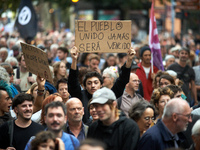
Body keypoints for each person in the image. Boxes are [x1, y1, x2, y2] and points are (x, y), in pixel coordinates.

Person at [68, 46, 136, 123]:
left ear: (101, 84)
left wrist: (129, 60)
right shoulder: (80, 95)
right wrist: (74, 59)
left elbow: (122, 81)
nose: (93, 85)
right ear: (85, 86)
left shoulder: (107, 95)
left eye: (96, 82)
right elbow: (72, 82)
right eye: (89, 83)